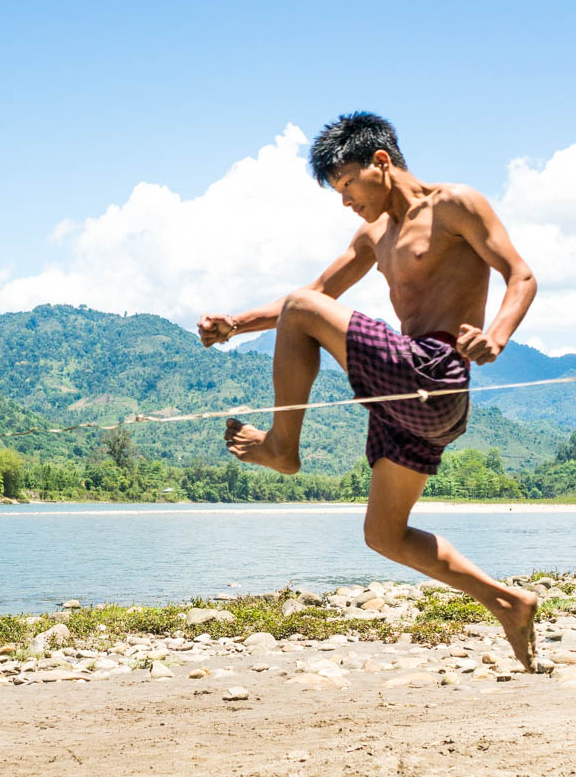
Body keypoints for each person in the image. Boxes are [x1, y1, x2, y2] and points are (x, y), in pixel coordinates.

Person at [199, 112, 540, 668]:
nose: (345, 202)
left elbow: (520, 275)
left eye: (347, 186)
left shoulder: (456, 205)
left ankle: (283, 447)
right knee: (384, 534)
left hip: (435, 377)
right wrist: (235, 324)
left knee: (303, 311)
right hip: (402, 399)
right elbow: (310, 296)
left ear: (380, 163)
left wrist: (497, 337)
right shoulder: (373, 236)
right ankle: (508, 602)